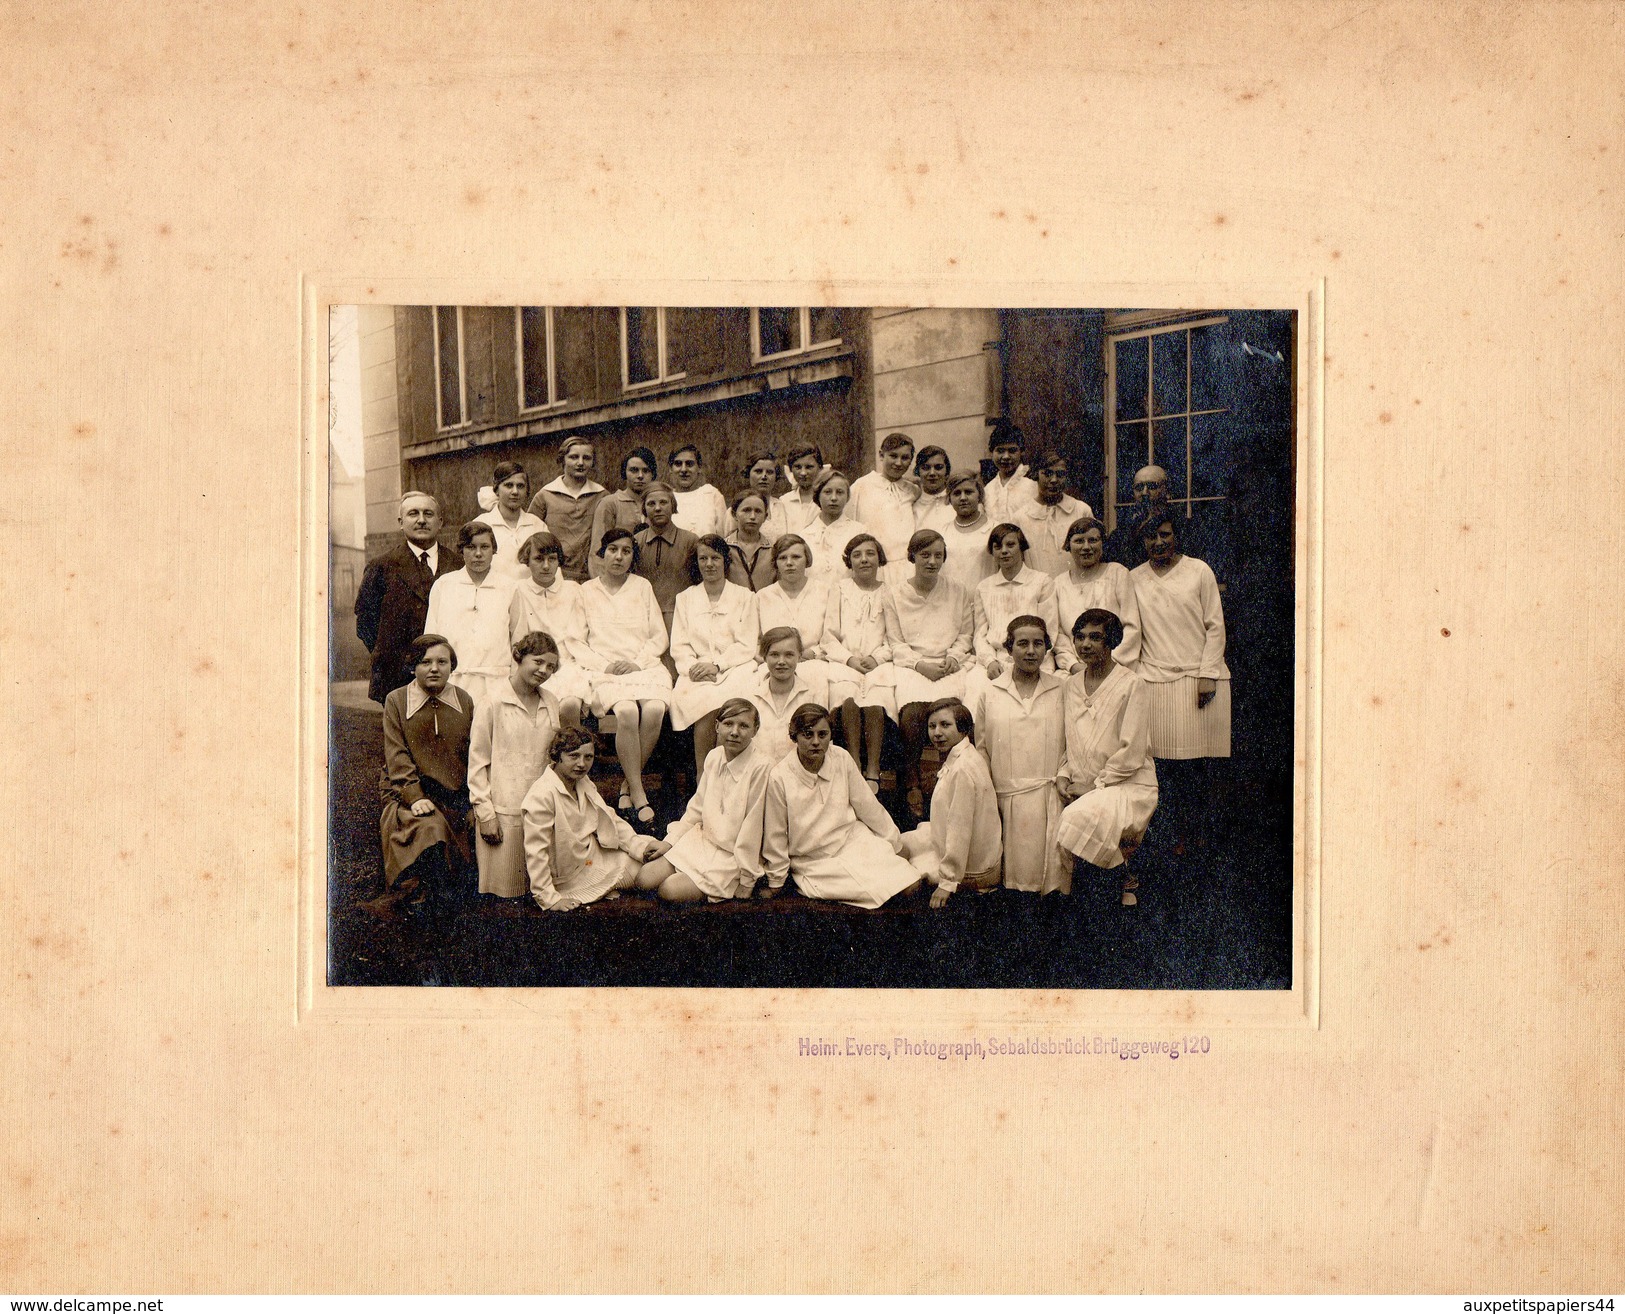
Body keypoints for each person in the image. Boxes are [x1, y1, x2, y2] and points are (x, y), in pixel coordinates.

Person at [1129, 507, 1230, 847]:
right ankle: (1167, 851)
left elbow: (1215, 626)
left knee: (1197, 773)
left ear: (1175, 536)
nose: (1158, 542)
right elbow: (1132, 634)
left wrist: (1207, 674)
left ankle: (1200, 850)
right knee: (1161, 773)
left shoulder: (1198, 571)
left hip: (1197, 682)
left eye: (1164, 534)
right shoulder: (1134, 578)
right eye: (1150, 536)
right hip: (1154, 683)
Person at [757, 704, 924, 908]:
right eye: (807, 735)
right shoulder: (779, 777)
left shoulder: (842, 759)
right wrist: (776, 881)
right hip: (814, 861)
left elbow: (868, 806)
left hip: (854, 842)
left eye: (823, 734)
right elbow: (775, 835)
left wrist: (895, 843)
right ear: (794, 737)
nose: (816, 742)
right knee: (878, 895)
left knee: (910, 884)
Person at [364, 634, 475, 920]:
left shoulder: (464, 700)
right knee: (430, 829)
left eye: (442, 662)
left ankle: (441, 890)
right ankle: (422, 893)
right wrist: (414, 796)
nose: (434, 668)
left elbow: (473, 755)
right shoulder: (397, 701)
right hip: (408, 791)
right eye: (425, 662)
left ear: (452, 666)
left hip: (453, 792)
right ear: (412, 667)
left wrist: (473, 798)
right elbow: (397, 756)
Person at [1056, 610, 1158, 908]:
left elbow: (1133, 750)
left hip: (1128, 784)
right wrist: (1063, 774)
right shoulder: (1069, 685)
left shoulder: (1131, 684)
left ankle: (1117, 877)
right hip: (1085, 785)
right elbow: (1069, 741)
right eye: (1080, 637)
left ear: (1111, 642)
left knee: (1076, 818)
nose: (1085, 644)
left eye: (1095, 637)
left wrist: (1097, 785)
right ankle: (1120, 873)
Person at [576, 527, 673, 826]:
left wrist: (637, 662)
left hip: (641, 666)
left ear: (633, 556)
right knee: (628, 712)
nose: (619, 556)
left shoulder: (642, 587)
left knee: (655, 708)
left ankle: (627, 785)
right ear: (601, 554)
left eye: (626, 551)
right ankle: (639, 793)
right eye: (613, 550)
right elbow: (576, 639)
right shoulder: (585, 591)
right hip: (603, 669)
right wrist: (605, 665)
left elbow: (658, 635)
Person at [966, 615, 1069, 895]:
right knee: (1010, 887)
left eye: (1038, 643)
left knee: (1050, 885)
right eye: (1022, 644)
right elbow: (983, 747)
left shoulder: (1061, 688)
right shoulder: (991, 692)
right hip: (1005, 799)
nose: (1031, 651)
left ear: (1047, 648)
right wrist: (987, 795)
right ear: (1009, 649)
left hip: (1050, 798)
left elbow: (1073, 743)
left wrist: (1064, 775)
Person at [636, 698, 772, 903]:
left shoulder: (762, 767)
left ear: (755, 729)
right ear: (717, 726)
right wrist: (670, 842)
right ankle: (685, 874)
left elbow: (753, 830)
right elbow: (697, 807)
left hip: (732, 856)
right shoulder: (715, 756)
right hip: (702, 841)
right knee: (644, 878)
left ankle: (701, 883)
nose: (735, 732)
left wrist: (747, 880)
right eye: (728, 724)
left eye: (744, 725)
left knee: (669, 891)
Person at [520, 727, 671, 911]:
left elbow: (610, 819)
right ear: (557, 755)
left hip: (592, 858)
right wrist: (550, 899)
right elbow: (536, 852)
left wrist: (640, 848)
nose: (581, 764)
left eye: (588, 757)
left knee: (650, 845)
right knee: (654, 871)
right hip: (570, 878)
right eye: (573, 756)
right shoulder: (542, 794)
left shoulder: (582, 782)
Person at [467, 631, 563, 901]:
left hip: (542, 812)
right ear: (518, 657)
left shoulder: (551, 702)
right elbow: (477, 762)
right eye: (538, 662)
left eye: (551, 667)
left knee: (541, 893)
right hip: (503, 813)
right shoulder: (492, 701)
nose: (544, 671)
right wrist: (486, 815)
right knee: (505, 897)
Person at [885, 528, 974, 817]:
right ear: (912, 557)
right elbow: (895, 641)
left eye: (938, 555)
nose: (932, 561)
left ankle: (951, 782)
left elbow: (965, 634)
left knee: (954, 714)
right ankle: (911, 784)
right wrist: (918, 664)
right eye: (925, 555)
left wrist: (954, 658)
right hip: (913, 665)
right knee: (911, 714)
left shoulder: (958, 591)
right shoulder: (896, 594)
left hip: (949, 665)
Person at [354, 491, 463, 705]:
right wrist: (389, 655)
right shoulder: (382, 566)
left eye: (428, 514)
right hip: (397, 676)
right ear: (401, 522)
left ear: (440, 522)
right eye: (413, 513)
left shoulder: (457, 566)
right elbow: (365, 623)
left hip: (449, 674)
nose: (421, 520)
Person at [669, 535, 761, 771]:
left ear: (725, 561)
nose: (709, 564)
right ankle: (705, 774)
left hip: (736, 668)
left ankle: (731, 771)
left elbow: (747, 644)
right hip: (696, 671)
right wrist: (694, 668)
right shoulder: (686, 598)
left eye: (715, 558)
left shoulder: (745, 597)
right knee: (706, 703)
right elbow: (679, 645)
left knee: (728, 703)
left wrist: (718, 665)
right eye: (703, 558)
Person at [899, 698, 1003, 908]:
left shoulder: (963, 768)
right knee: (897, 843)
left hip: (972, 868)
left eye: (945, 725)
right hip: (961, 850)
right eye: (932, 726)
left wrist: (947, 883)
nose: (937, 732)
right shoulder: (961, 756)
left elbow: (960, 829)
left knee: (900, 875)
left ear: (963, 728)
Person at [823, 533, 897, 792]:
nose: (864, 559)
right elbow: (829, 635)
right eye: (857, 555)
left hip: (879, 662)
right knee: (847, 695)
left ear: (879, 558)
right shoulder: (840, 589)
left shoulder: (890, 591)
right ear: (849, 561)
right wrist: (850, 659)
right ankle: (854, 764)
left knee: (877, 698)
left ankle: (874, 770)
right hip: (846, 660)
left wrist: (877, 658)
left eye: (870, 554)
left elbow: (894, 636)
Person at [423, 521, 518, 707]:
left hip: (497, 683)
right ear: (461, 550)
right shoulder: (444, 585)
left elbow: (519, 638)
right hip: (454, 681)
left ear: (493, 550)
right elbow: (431, 638)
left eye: (485, 547)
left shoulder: (510, 587)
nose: (478, 554)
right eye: (470, 547)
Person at [507, 530, 591, 725]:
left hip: (569, 664)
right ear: (527, 561)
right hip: (533, 664)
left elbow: (579, 636)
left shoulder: (573, 590)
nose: (546, 566)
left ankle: (571, 751)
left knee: (570, 704)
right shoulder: (518, 590)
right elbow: (517, 637)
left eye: (552, 559)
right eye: (538, 559)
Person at [971, 523, 1061, 683]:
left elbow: (1051, 632)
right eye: (997, 547)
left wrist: (1028, 659)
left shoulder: (1042, 582)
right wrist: (989, 661)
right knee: (975, 687)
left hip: (1036, 660)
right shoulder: (984, 588)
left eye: (1010, 545)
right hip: (996, 662)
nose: (1004, 551)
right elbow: (980, 635)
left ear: (1022, 547)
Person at [1052, 516, 1141, 674]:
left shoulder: (1117, 573)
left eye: (1093, 540)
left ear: (1102, 544)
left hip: (1115, 669)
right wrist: (1073, 665)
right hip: (1075, 672)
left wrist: (1109, 665)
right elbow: (1058, 634)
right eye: (1079, 541)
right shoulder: (1059, 584)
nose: (1086, 547)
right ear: (1068, 546)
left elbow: (1131, 626)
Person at [754, 535, 841, 686]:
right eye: (782, 558)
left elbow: (831, 636)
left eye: (796, 557)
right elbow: (755, 641)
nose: (789, 563)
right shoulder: (763, 596)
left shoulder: (824, 592)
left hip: (814, 663)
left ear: (807, 560)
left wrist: (814, 653)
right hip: (774, 666)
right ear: (775, 563)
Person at [528, 436, 606, 583]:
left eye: (587, 458)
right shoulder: (545, 496)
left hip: (591, 577)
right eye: (574, 457)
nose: (580, 463)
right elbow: (531, 536)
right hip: (554, 577)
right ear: (562, 460)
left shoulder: (602, 495)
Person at [747, 627, 828, 763]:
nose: (781, 661)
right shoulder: (751, 697)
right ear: (764, 656)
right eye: (774, 654)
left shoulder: (813, 696)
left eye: (789, 655)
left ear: (799, 656)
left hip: (799, 777)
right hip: (759, 778)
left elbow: (822, 745)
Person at [1103, 463, 1204, 568]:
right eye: (1139, 487)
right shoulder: (1120, 534)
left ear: (1167, 491)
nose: (1145, 492)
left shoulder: (1186, 529)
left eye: (1152, 486)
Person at [632, 482, 699, 636]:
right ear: (644, 509)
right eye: (651, 504)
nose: (657, 508)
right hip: (643, 619)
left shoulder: (690, 541)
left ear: (673, 506)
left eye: (663, 502)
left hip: (681, 618)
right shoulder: (635, 541)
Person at [850, 432, 919, 581]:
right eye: (893, 456)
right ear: (881, 455)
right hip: (875, 568)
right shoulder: (862, 486)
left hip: (907, 569)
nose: (899, 463)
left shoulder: (913, 491)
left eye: (905, 458)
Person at [1013, 448, 1092, 576]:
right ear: (1036, 474)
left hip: (1076, 589)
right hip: (1038, 591)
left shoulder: (1081, 510)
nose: (1054, 480)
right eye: (1047, 473)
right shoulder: (1021, 517)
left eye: (1060, 474)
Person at [475, 461, 548, 580]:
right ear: (497, 489)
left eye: (520, 486)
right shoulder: (481, 525)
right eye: (509, 485)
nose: (515, 492)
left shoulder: (538, 526)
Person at [800, 469, 873, 587]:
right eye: (828, 492)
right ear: (818, 495)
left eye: (839, 492)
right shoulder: (804, 535)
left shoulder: (859, 532)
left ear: (847, 497)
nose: (834, 498)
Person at [588, 447, 656, 571]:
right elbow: (597, 552)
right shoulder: (610, 503)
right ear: (624, 473)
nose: (640, 476)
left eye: (646, 471)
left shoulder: (657, 504)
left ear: (653, 474)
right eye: (634, 470)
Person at [939, 472, 996, 597]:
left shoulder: (994, 529)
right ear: (949, 498)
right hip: (951, 604)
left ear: (979, 495)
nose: (963, 498)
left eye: (968, 492)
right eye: (957, 493)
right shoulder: (942, 532)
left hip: (986, 602)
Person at [726, 449, 790, 544]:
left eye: (769, 472)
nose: (764, 476)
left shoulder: (782, 506)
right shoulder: (737, 509)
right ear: (749, 473)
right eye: (758, 471)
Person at [667, 444, 728, 538]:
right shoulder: (665, 497)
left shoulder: (711, 495)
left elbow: (723, 536)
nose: (683, 469)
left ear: (699, 468)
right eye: (678, 464)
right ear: (670, 469)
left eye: (689, 464)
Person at [723, 490, 777, 591]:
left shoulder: (773, 550)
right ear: (734, 514)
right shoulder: (723, 548)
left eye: (758, 511)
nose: (752, 516)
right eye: (746, 510)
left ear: (765, 517)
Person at [983, 423, 1036, 524]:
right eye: (1000, 451)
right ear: (991, 452)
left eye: (1012, 451)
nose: (1006, 456)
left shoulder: (1033, 483)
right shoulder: (988, 489)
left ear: (1022, 452)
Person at [779, 442, 830, 532]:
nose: (803, 473)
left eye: (809, 467)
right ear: (791, 469)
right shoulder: (784, 501)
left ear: (820, 468)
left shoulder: (827, 500)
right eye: (798, 467)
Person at [912, 445, 954, 534]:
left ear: (947, 471)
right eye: (926, 468)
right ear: (918, 471)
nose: (932, 473)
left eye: (938, 467)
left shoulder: (956, 500)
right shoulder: (912, 505)